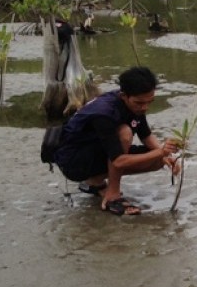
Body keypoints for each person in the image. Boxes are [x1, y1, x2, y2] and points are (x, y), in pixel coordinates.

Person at [54, 66, 180, 215]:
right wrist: (160, 151)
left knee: (159, 160)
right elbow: (118, 161)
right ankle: (112, 196)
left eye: (149, 102)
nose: (145, 107)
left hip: (98, 150)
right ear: (123, 96)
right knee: (125, 133)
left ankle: (95, 183)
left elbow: (145, 135)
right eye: (139, 103)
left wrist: (165, 155)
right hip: (74, 161)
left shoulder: (134, 105)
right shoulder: (105, 113)